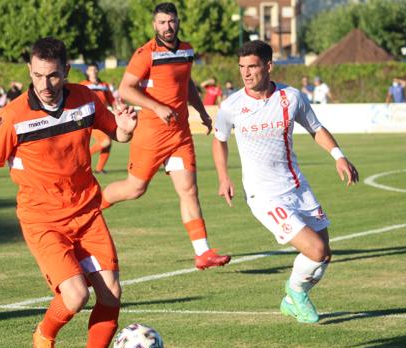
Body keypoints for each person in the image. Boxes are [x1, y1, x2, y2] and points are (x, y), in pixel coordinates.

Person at [0, 36, 137, 348]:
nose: (45, 85)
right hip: (43, 220)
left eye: (54, 76)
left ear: (66, 71)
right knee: (76, 295)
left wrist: (126, 129)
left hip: (87, 213)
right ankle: (44, 333)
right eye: (38, 75)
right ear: (30, 70)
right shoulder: (13, 116)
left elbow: (116, 134)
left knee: (111, 295)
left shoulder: (86, 98)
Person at [212, 40, 359, 324]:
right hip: (263, 196)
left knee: (324, 254)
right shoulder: (231, 106)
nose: (246, 73)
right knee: (314, 250)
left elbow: (316, 128)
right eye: (242, 67)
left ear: (268, 66)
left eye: (252, 66)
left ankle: (293, 298)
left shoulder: (291, 98)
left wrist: (338, 156)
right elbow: (219, 141)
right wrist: (223, 176)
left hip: (297, 186)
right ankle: (295, 293)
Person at [100, 2, 230, 270]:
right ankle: (91, 207)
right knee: (135, 189)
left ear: (178, 21)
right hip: (151, 134)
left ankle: (203, 252)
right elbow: (125, 89)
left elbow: (187, 85)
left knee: (189, 190)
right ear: (154, 25)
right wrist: (156, 107)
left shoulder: (187, 50)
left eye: (171, 21)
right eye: (161, 22)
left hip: (180, 135)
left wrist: (202, 112)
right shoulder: (145, 54)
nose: (167, 27)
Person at [80, 63, 116, 173]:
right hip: (91, 118)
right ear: (87, 72)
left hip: (104, 117)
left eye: (95, 69)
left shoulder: (104, 85)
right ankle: (81, 160)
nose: (93, 71)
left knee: (107, 145)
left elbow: (112, 100)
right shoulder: (83, 85)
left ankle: (99, 169)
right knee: (106, 142)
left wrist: (117, 109)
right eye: (91, 69)